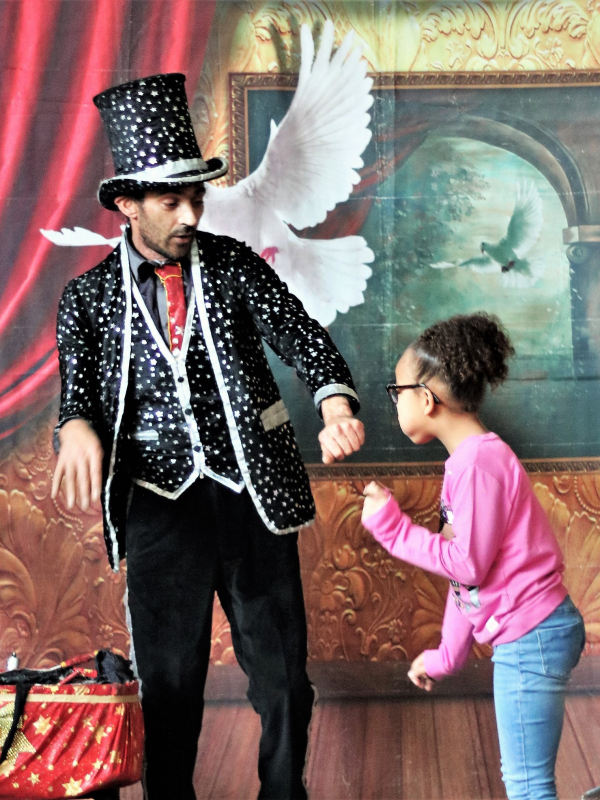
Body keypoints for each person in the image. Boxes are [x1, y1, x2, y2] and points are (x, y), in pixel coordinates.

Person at [51, 73, 365, 800]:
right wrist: (76, 428)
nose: (192, 213)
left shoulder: (234, 266)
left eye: (197, 196)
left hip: (253, 498)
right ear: (127, 203)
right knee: (167, 688)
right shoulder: (86, 299)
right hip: (158, 509)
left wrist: (335, 403)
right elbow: (77, 396)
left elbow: (302, 337)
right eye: (172, 201)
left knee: (284, 682)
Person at [361, 312, 585, 800]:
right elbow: (468, 583)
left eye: (396, 392)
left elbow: (466, 565)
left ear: (425, 399)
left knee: (528, 787)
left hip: (533, 636)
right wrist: (446, 656)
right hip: (532, 633)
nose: (396, 402)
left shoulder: (479, 464)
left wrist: (391, 528)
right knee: (524, 781)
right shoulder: (467, 463)